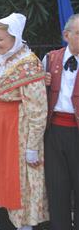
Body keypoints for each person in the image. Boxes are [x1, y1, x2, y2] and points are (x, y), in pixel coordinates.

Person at [0, 13, 48, 230]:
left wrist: (32, 145)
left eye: (0, 39)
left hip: (19, 127)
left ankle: (25, 224)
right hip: (0, 124)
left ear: (15, 38)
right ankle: (9, 220)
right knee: (3, 174)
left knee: (21, 175)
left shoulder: (28, 64)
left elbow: (38, 109)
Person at [42, 13, 79, 230]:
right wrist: (42, 81)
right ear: (66, 35)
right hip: (54, 131)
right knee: (57, 187)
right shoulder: (50, 59)